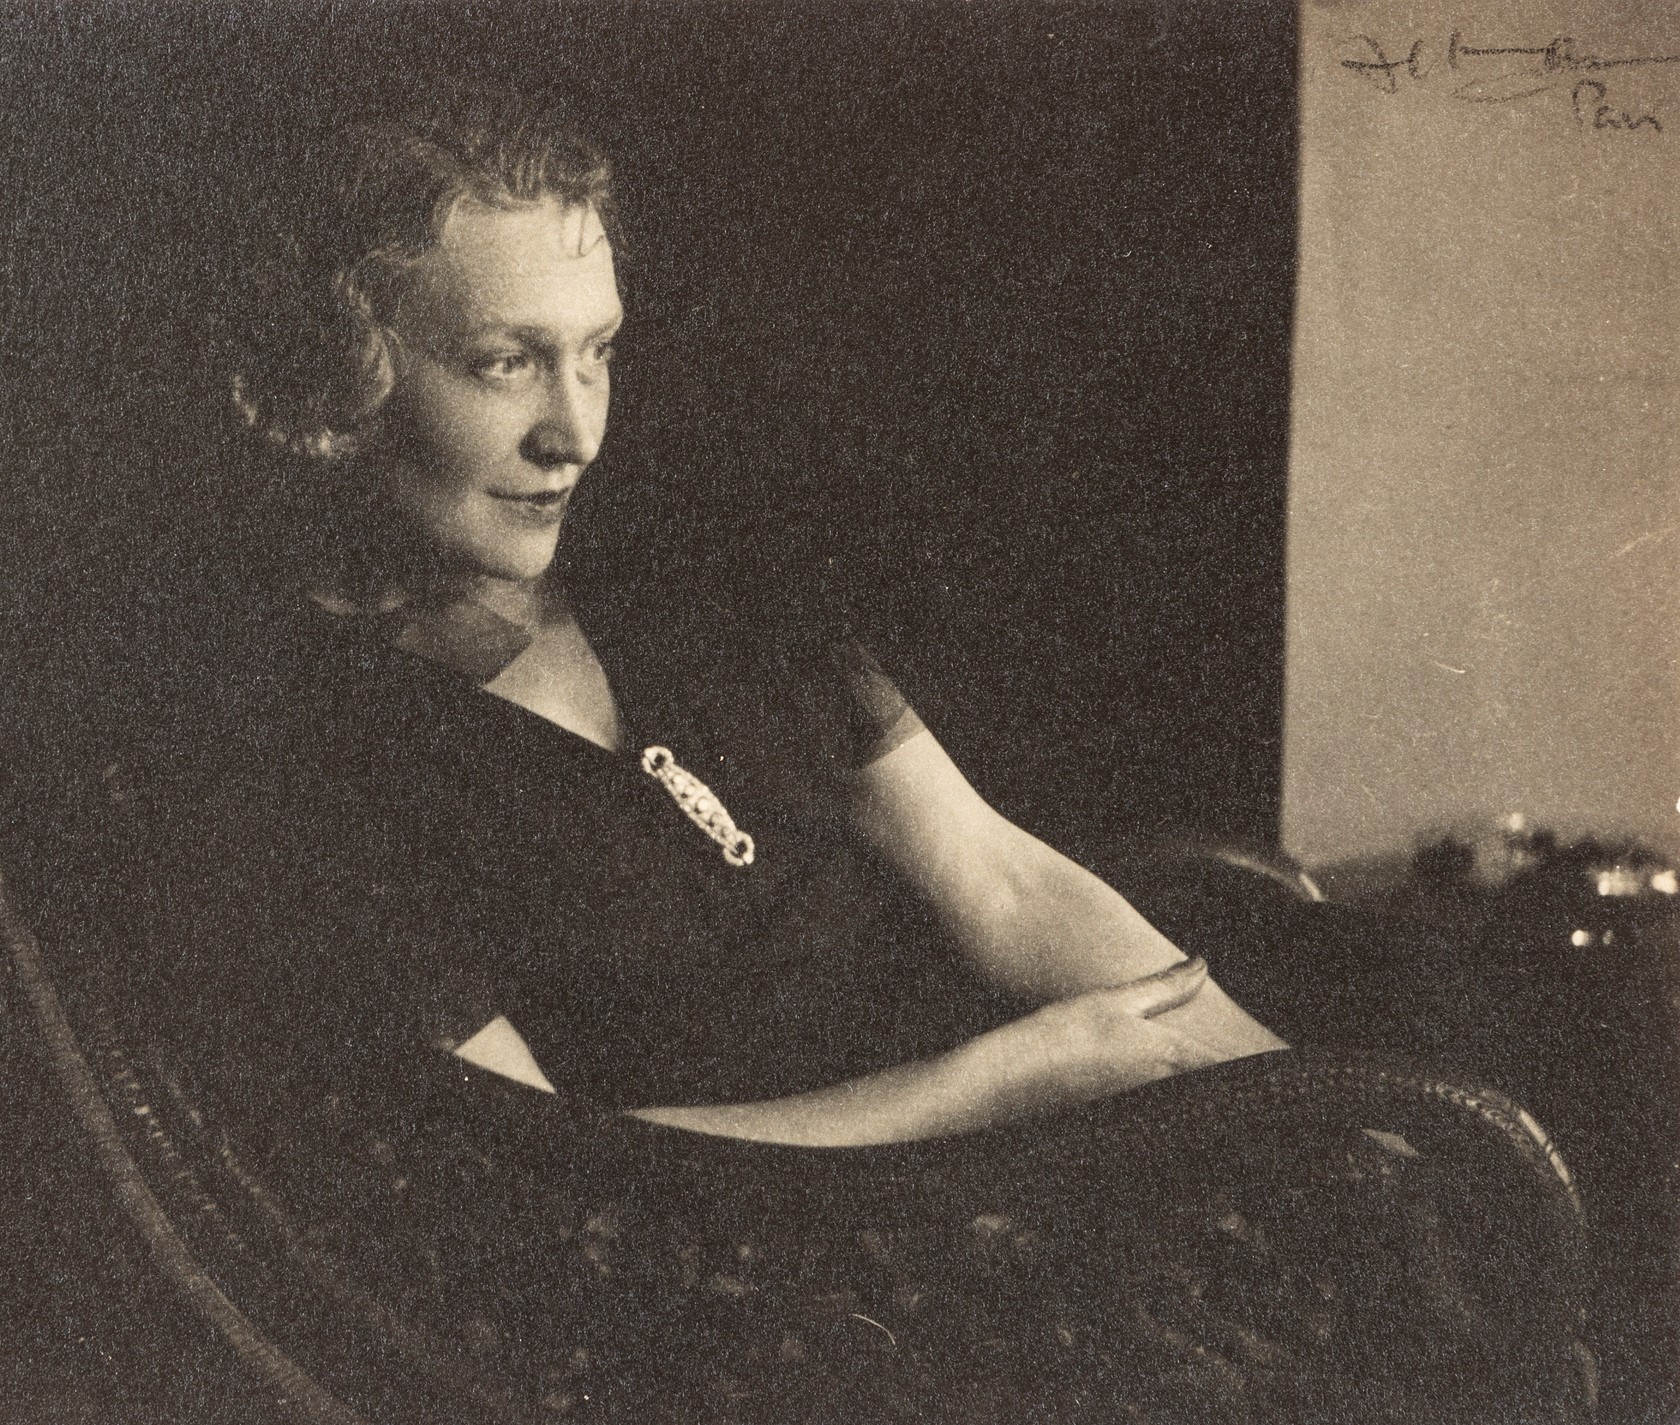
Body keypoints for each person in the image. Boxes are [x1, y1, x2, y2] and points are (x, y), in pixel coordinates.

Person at [147, 83, 1287, 1154]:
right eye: (504, 363)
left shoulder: (698, 583)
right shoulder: (283, 756)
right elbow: (546, 1165)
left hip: (1038, 1145)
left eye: (596, 353)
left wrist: (1303, 1101)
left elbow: (999, 882)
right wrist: (1009, 1077)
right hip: (753, 1253)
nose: (573, 434)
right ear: (338, 381)